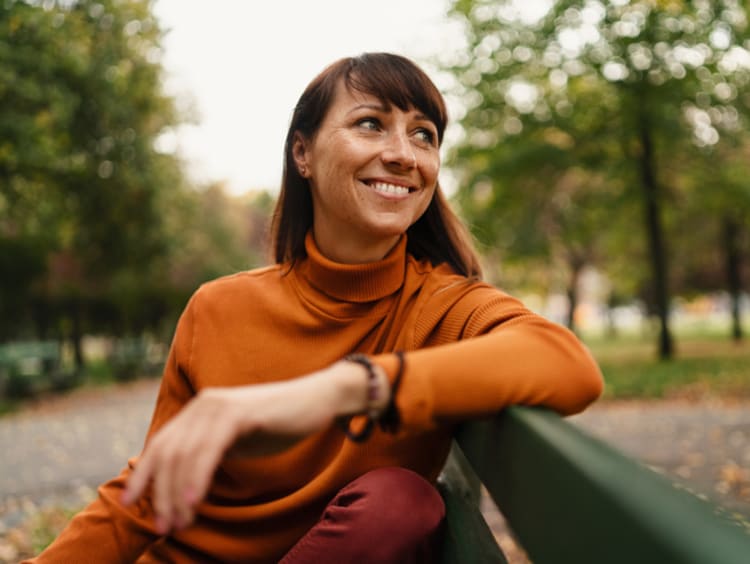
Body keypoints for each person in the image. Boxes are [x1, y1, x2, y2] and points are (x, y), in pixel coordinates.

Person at [28, 52, 603, 563]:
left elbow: (567, 365)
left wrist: (341, 390)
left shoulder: (444, 306)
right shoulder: (218, 308)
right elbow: (148, 494)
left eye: (424, 134)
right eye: (371, 124)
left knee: (400, 502)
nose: (403, 154)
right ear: (302, 152)